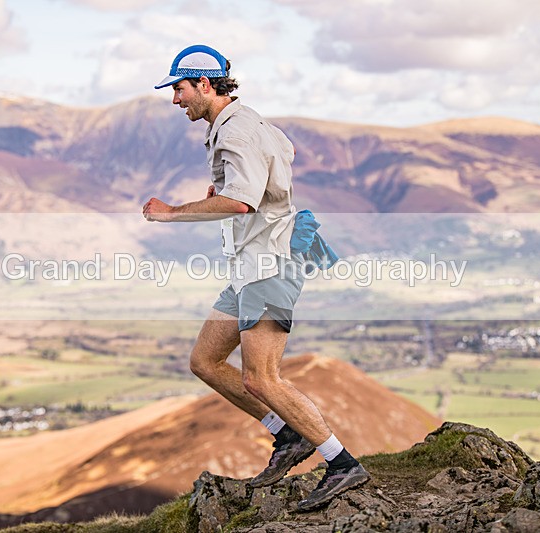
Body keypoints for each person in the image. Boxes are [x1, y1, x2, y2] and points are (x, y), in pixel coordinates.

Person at [143, 44, 369, 511]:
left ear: (204, 84)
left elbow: (241, 203)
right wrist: (235, 185)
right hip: (250, 265)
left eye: (179, 89)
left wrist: (171, 212)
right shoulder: (247, 122)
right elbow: (285, 151)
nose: (175, 100)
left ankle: (342, 464)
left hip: (270, 265)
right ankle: (288, 436)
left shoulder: (236, 132)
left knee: (261, 378)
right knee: (205, 361)